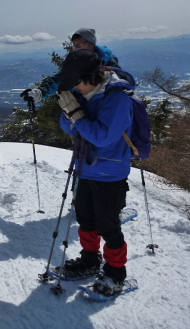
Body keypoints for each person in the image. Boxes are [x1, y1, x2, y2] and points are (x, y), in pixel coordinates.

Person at [55, 48, 135, 296]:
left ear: (92, 75)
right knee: (86, 220)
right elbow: (65, 125)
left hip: (110, 173)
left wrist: (77, 116)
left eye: (77, 82)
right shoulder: (84, 94)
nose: (75, 88)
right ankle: (90, 261)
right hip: (85, 169)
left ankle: (115, 273)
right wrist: (72, 116)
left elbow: (102, 136)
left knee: (108, 225)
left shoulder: (117, 98)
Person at [21, 28, 120, 102]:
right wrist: (40, 92)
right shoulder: (76, 61)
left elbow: (118, 83)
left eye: (80, 44)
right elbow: (60, 78)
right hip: (79, 107)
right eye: (74, 44)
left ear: (92, 44)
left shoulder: (108, 62)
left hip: (102, 106)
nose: (76, 47)